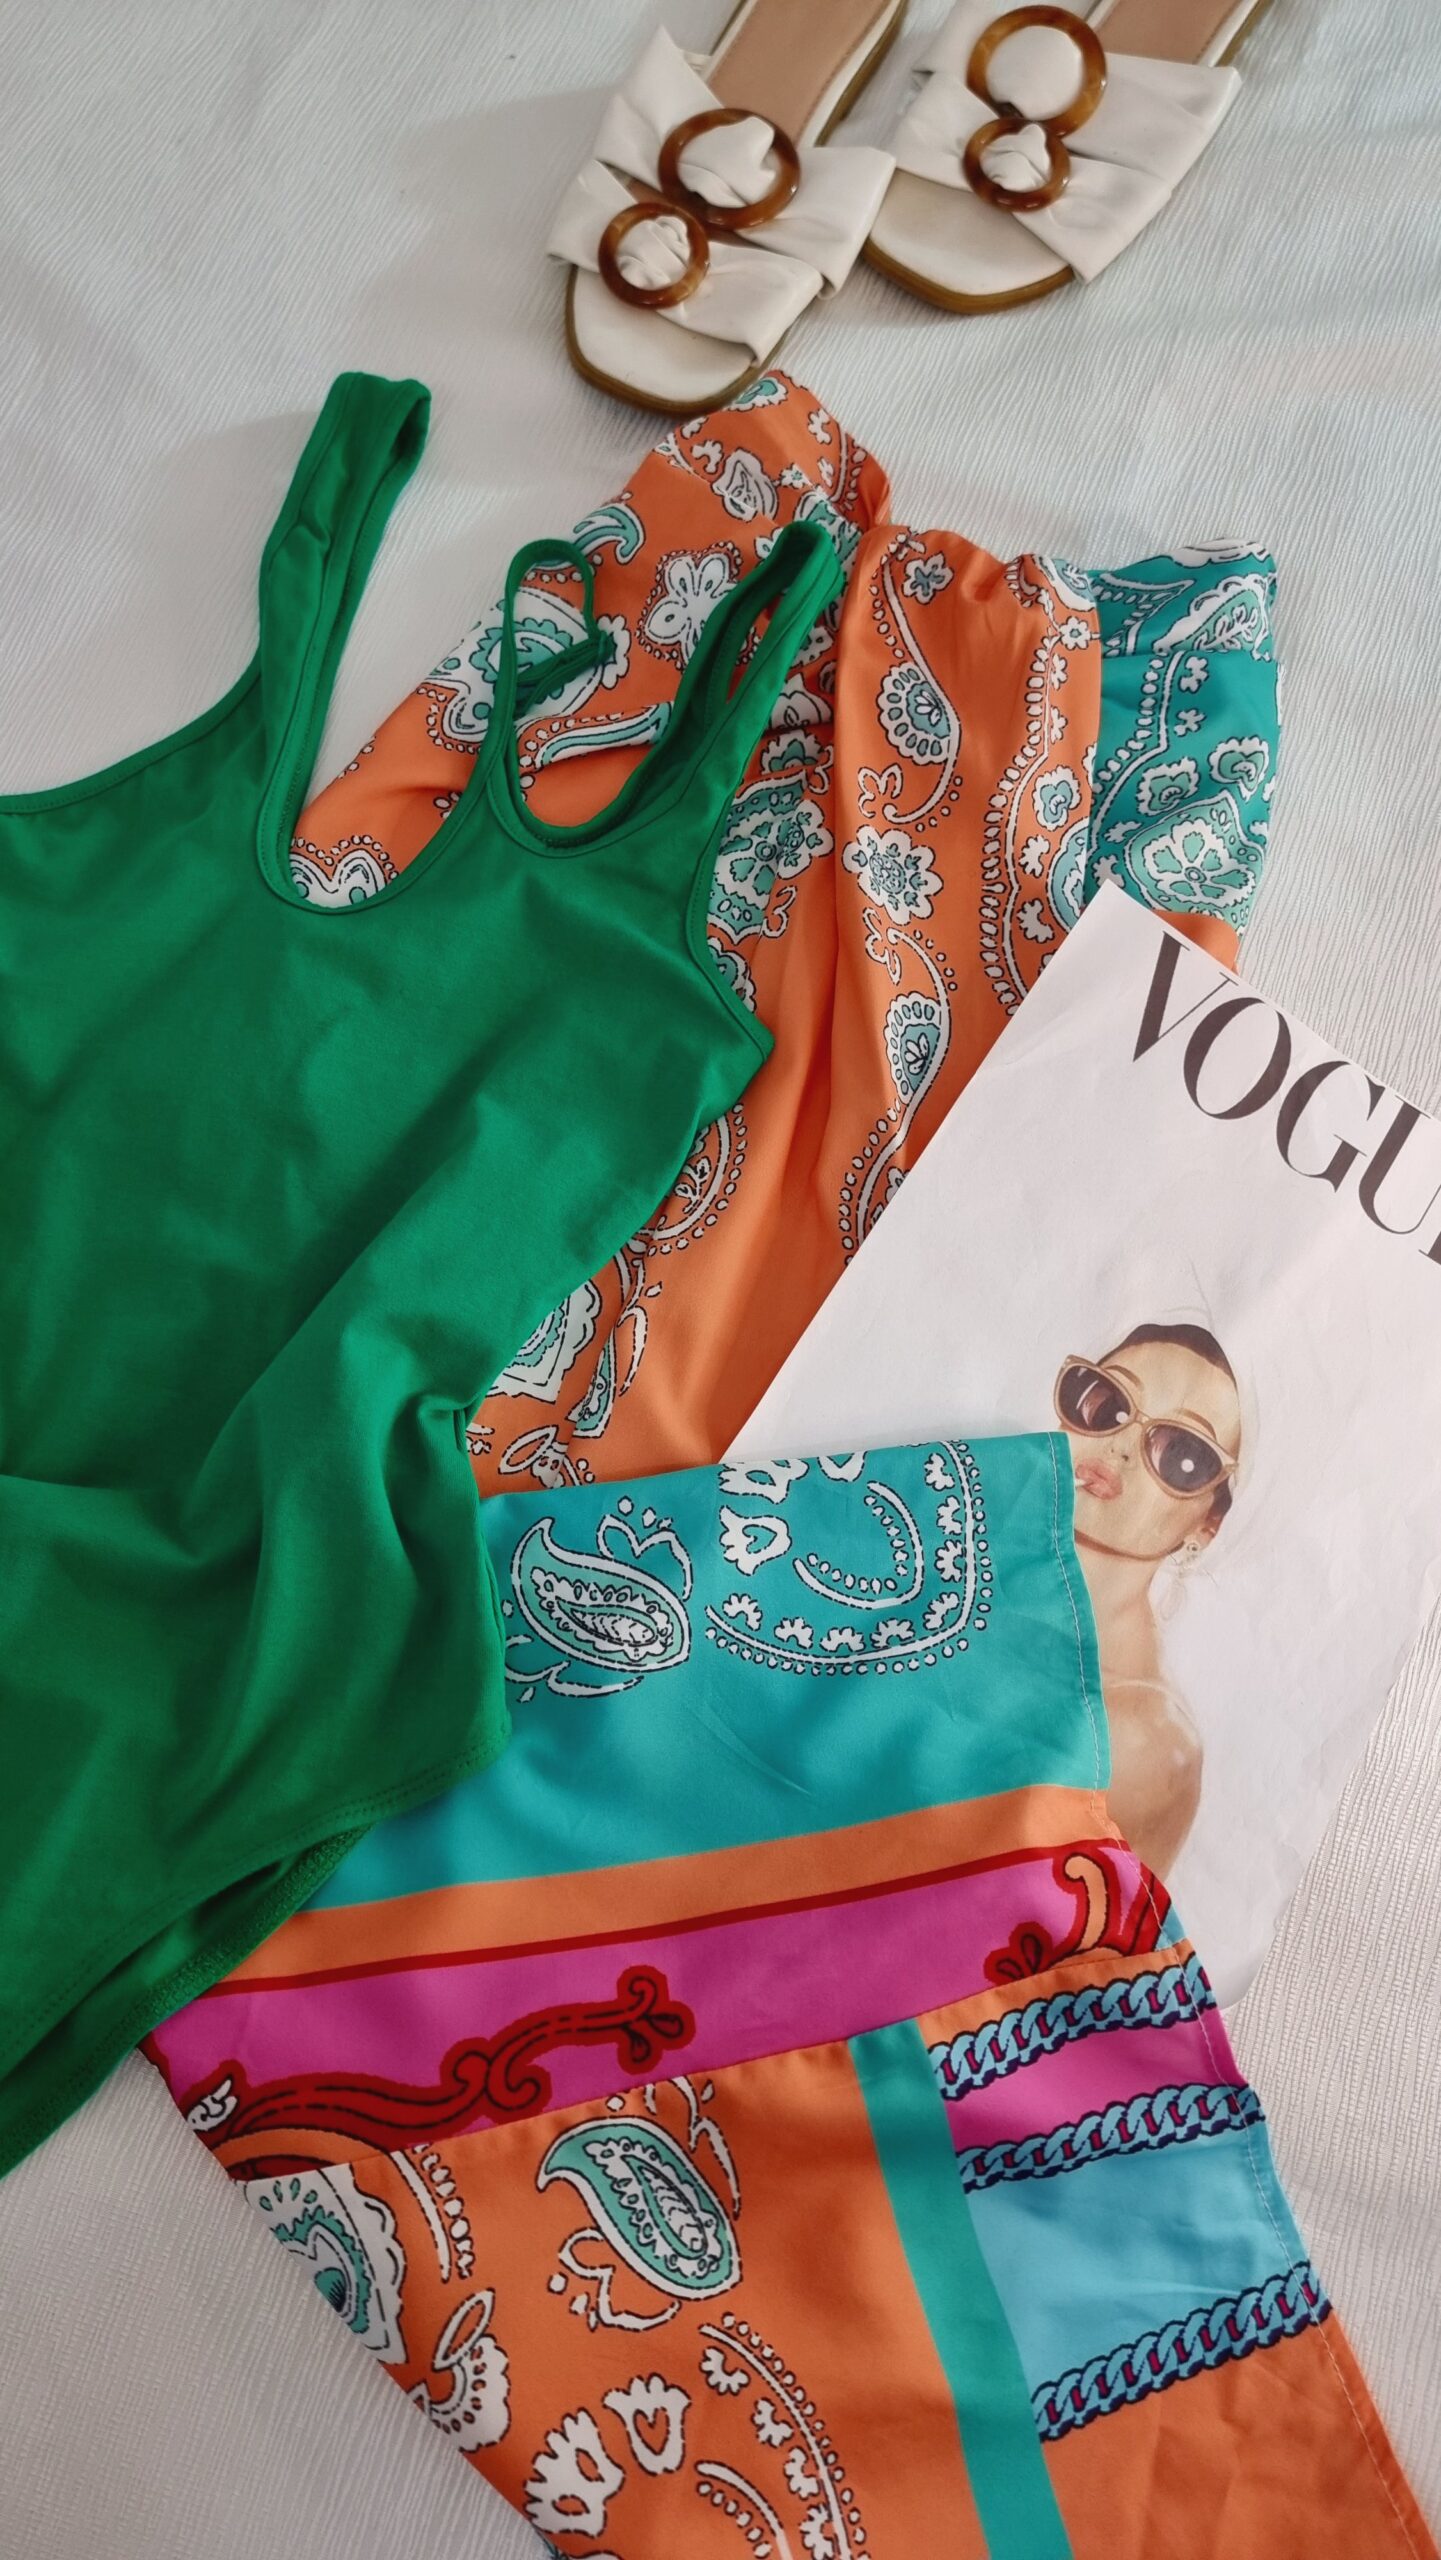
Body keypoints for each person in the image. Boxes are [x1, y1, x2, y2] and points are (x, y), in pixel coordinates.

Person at [1054, 1322, 1242, 1877]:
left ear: (1208, 1523)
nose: (1119, 1447)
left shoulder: (1148, 1742)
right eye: (1104, 1404)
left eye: (1182, 1453)